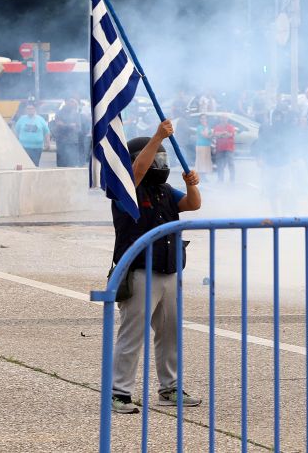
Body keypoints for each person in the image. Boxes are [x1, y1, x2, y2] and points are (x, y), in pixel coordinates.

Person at [110, 120, 202, 413]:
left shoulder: (164, 190)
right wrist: (157, 136)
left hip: (169, 271)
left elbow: (193, 204)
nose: (159, 163)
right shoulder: (125, 188)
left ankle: (170, 387)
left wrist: (191, 183)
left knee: (170, 333)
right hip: (139, 272)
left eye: (163, 158)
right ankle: (119, 392)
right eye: (154, 157)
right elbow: (137, 171)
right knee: (132, 335)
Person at [14, 102, 50, 167]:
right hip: (24, 147)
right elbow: (16, 131)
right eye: (28, 109)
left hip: (36, 148)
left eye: (31, 109)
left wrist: (47, 143)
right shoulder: (22, 119)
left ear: (35, 109)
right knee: (23, 166)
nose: (29, 110)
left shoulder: (40, 119)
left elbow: (46, 132)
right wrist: (16, 144)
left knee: (34, 166)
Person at [53, 98, 83, 167]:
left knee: (72, 163)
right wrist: (70, 125)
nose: (71, 104)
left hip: (73, 142)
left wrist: (64, 125)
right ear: (66, 102)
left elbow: (78, 128)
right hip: (61, 141)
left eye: (73, 102)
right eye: (70, 102)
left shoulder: (76, 114)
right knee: (61, 163)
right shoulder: (59, 113)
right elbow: (58, 125)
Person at [211, 116, 237, 183]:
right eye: (222, 118)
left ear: (227, 119)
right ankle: (220, 179)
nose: (224, 120)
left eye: (225, 118)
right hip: (220, 148)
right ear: (220, 119)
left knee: (230, 163)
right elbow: (215, 134)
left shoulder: (230, 127)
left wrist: (221, 134)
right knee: (220, 164)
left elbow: (230, 134)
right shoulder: (217, 127)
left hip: (229, 148)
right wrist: (224, 133)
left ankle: (232, 179)